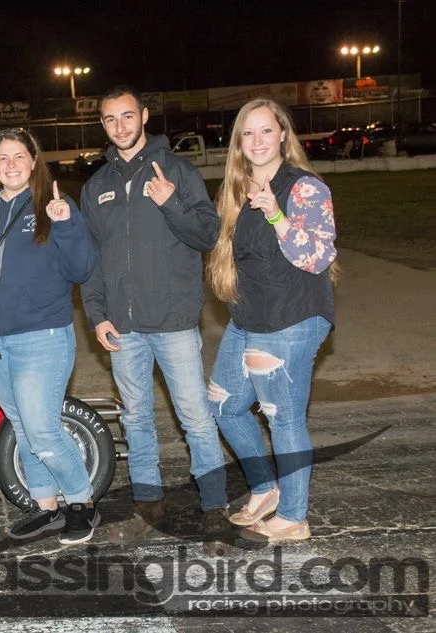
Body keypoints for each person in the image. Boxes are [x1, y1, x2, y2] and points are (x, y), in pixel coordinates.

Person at [79, 85, 231, 555]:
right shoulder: (95, 187)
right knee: (136, 418)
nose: (120, 126)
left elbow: (207, 235)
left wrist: (170, 202)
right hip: (123, 328)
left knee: (196, 419)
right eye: (110, 119)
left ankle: (215, 510)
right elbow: (91, 262)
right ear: (102, 124)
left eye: (127, 116)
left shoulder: (178, 172)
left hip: (173, 322)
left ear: (144, 116)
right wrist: (97, 315)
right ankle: (148, 506)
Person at [0, 128, 99, 545]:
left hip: (43, 337)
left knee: (41, 428)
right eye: (3, 157)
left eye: (20, 156)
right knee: (21, 425)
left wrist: (65, 225)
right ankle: (46, 506)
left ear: (34, 162)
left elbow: (83, 269)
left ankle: (82, 502)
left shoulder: (54, 207)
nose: (11, 164)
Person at [206, 98, 338, 543]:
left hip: (291, 317)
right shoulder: (236, 190)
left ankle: (294, 516)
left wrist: (276, 215)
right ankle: (266, 489)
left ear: (283, 134)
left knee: (283, 417)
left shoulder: (304, 188)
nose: (257, 140)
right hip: (250, 317)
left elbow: (317, 257)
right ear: (238, 142)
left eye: (266, 130)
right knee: (224, 406)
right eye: (248, 132)